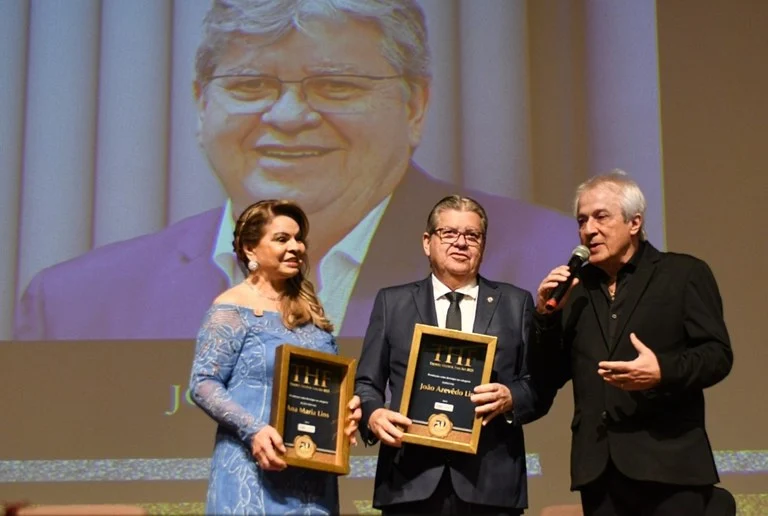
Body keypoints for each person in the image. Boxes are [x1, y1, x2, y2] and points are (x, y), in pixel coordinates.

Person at [14, 0, 574, 341]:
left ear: (414, 106)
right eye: (250, 85)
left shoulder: (553, 268)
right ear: (202, 105)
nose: (287, 116)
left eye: (335, 85)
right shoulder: (74, 304)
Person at [531, 170, 733, 516]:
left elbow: (717, 355)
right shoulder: (575, 292)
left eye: (601, 217)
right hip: (599, 469)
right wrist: (546, 317)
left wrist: (662, 371)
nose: (588, 230)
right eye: (582, 220)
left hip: (670, 465)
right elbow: (548, 375)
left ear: (634, 223)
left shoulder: (683, 274)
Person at [355, 195, 550, 515]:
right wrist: (374, 415)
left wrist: (510, 397)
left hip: (490, 483)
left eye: (472, 235)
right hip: (410, 481)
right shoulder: (393, 303)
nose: (461, 243)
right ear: (427, 242)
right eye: (449, 233)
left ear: (483, 245)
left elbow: (537, 384)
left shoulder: (516, 304)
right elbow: (366, 383)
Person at [188, 199, 362, 515]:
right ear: (249, 249)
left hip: (312, 479)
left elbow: (330, 387)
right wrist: (253, 430)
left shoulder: (311, 310)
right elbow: (203, 384)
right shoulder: (231, 308)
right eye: (282, 239)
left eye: (299, 239)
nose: (296, 247)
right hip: (251, 474)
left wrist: (346, 416)